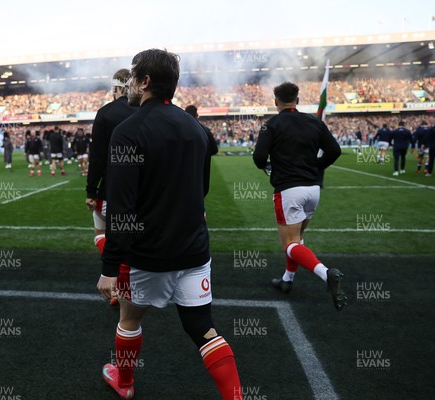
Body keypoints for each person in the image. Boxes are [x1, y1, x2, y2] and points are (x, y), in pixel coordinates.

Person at [97, 49, 243, 400]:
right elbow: (202, 189)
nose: (129, 84)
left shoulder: (128, 131)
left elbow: (121, 208)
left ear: (145, 81)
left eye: (132, 77)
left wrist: (109, 267)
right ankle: (236, 397)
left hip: (147, 255)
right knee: (202, 328)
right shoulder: (195, 128)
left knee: (129, 320)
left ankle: (126, 382)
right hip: (194, 249)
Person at [252, 81, 345, 311]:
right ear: (298, 100)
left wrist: (270, 166)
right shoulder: (314, 122)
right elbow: (335, 150)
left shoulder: (271, 124)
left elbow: (258, 158)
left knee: (289, 244)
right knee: (298, 238)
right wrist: (317, 167)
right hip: (313, 189)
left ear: (275, 102)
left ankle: (326, 274)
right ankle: (287, 280)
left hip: (289, 189)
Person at [86, 69, 137, 256]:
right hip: (143, 191)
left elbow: (97, 157)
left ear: (116, 87)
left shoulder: (105, 113)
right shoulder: (146, 111)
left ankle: (115, 275)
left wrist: (91, 191)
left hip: (112, 189)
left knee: (101, 231)